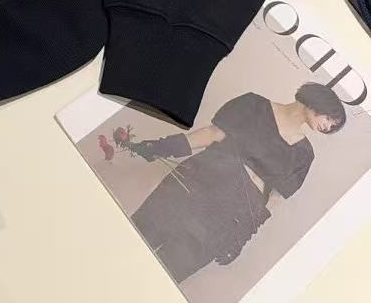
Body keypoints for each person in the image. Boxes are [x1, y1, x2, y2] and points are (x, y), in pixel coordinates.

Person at [117, 83, 346, 283]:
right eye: (329, 119)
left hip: (226, 217)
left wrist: (242, 235)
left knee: (167, 272)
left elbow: (272, 200)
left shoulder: (304, 154)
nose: (328, 127)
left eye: (332, 126)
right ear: (318, 102)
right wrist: (160, 147)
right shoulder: (253, 105)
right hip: (194, 184)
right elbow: (211, 134)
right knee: (133, 239)